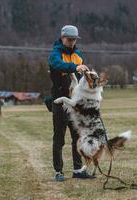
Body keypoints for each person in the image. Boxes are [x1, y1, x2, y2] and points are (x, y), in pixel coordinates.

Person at [48, 25, 94, 182]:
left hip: (75, 103)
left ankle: (77, 170)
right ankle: (58, 172)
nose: (72, 42)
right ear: (62, 38)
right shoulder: (55, 54)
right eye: (69, 39)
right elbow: (58, 65)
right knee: (59, 138)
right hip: (59, 102)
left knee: (77, 137)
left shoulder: (78, 55)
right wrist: (75, 67)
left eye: (74, 39)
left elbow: (81, 80)